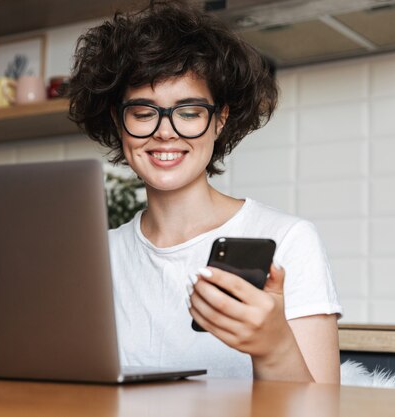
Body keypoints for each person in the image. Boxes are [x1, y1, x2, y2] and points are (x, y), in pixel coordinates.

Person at [68, 0, 342, 383]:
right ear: (119, 121)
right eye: (144, 112)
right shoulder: (96, 257)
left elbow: (322, 411)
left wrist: (274, 347)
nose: (166, 131)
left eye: (190, 111)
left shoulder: (289, 240)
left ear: (220, 120)